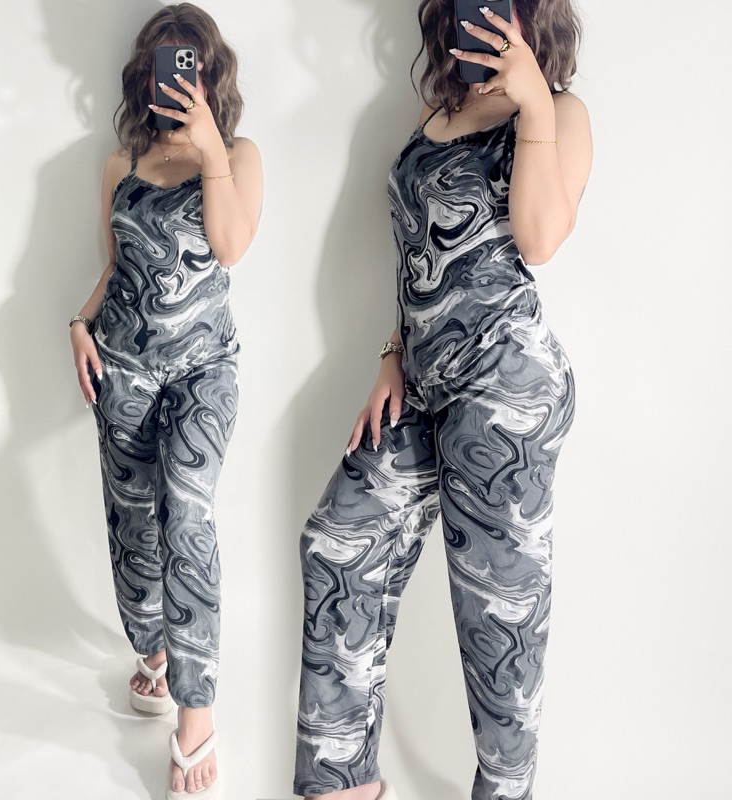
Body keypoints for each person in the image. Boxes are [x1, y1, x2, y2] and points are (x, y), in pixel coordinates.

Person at [293, 1, 591, 799]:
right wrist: (393, 354)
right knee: (336, 543)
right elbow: (420, 253)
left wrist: (532, 102)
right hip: (421, 385)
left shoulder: (560, 111)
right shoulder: (439, 111)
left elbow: (538, 239)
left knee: (497, 613)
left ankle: (506, 789)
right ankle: (344, 780)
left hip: (503, 386)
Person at [68, 4, 262, 798]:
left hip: (203, 373)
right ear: (144, 77)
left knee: (186, 513)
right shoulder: (121, 162)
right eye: (164, 65)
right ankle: (152, 649)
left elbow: (232, 246)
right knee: (132, 528)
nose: (179, 79)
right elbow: (118, 266)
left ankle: (195, 711)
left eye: (193, 66)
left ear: (212, 76)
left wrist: (209, 148)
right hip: (121, 367)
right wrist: (79, 322)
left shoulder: (239, 155)